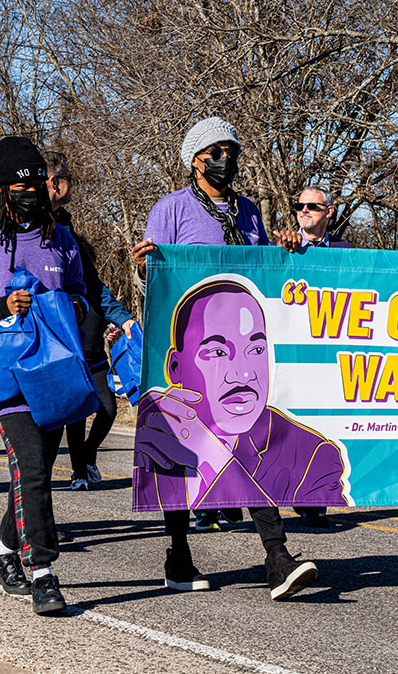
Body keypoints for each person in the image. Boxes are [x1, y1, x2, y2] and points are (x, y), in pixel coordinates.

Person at [131, 116, 319, 601]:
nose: (226, 159)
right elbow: (157, 286)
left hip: (237, 355)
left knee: (252, 443)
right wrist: (145, 265)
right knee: (178, 451)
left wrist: (287, 249)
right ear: (194, 159)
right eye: (216, 150)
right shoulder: (169, 210)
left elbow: (261, 275)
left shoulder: (249, 211)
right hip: (193, 355)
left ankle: (277, 557)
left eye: (232, 151)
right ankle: (177, 552)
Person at [0, 136, 86, 616]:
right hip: (6, 380)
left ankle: (3, 553)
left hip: (53, 375)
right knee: (30, 468)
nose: (29, 192)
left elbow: (81, 298)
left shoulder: (61, 240)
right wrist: (3, 306)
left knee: (36, 476)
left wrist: (62, 306)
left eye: (35, 184)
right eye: (18, 185)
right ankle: (45, 573)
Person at [134, 278, 349, 508]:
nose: (242, 373)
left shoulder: (314, 458)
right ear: (175, 368)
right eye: (218, 352)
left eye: (256, 350)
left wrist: (212, 460)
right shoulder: (157, 427)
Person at [43, 150, 137, 491]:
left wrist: (123, 320)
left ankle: (81, 464)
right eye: (68, 176)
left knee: (102, 409)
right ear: (54, 182)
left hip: (86, 353)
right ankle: (27, 529)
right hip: (46, 348)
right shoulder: (17, 228)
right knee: (43, 444)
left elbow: (94, 286)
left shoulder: (65, 232)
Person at [273, 186, 354, 528]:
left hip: (328, 351)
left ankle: (313, 498)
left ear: (329, 212)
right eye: (300, 206)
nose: (304, 211)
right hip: (287, 348)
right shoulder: (281, 246)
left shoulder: (346, 251)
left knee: (320, 423)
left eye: (313, 206)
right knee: (288, 422)